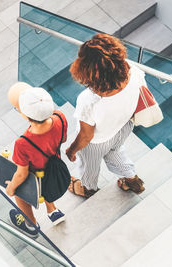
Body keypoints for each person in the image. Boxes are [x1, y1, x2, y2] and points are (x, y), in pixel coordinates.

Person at [66, 33, 145, 198]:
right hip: (123, 127)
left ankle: (88, 188)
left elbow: (86, 136)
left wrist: (72, 150)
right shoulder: (134, 71)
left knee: (90, 167)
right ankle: (131, 179)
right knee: (115, 152)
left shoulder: (89, 100)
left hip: (97, 141)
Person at [5, 82, 68, 238]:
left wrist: (11, 188)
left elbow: (21, 174)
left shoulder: (23, 143)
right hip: (56, 170)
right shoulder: (60, 117)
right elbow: (63, 138)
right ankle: (53, 211)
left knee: (19, 194)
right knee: (48, 183)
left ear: (25, 116)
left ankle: (31, 225)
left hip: (37, 178)